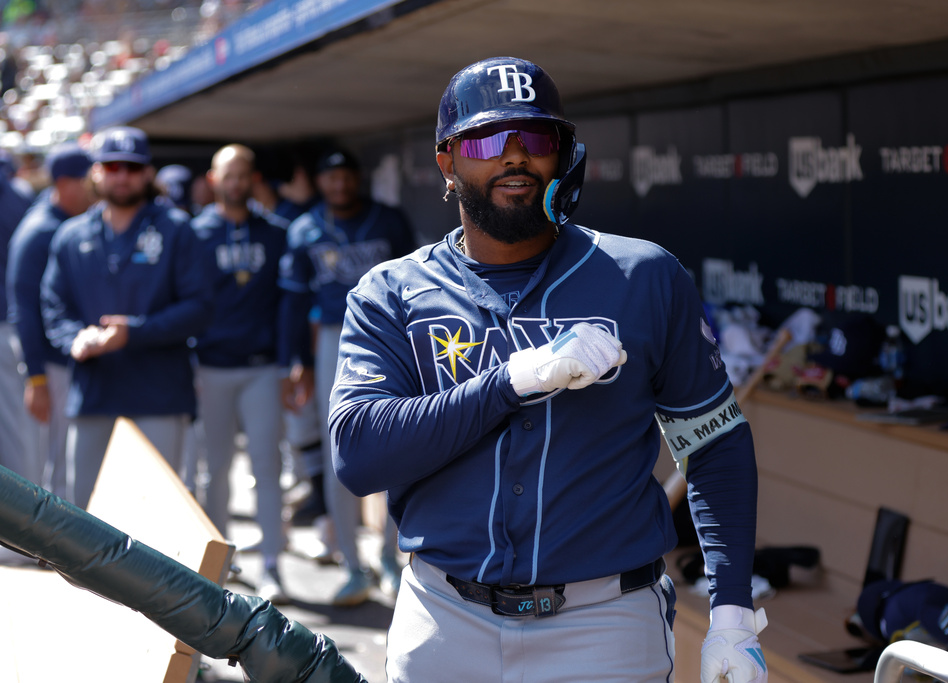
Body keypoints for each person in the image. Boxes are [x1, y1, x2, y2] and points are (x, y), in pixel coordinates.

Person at [329, 56, 766, 683]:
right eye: (486, 139)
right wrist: (510, 383)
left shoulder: (641, 276)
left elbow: (715, 444)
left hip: (605, 624)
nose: (515, 157)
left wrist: (731, 614)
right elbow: (358, 456)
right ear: (447, 163)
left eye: (536, 138)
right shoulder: (392, 290)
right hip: (445, 618)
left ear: (563, 156)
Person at [41, 126, 214, 509]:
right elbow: (54, 307)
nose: (122, 176)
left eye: (132, 168)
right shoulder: (70, 235)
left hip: (158, 394)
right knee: (85, 519)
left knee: (156, 517)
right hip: (93, 394)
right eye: (112, 166)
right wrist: (76, 338)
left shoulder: (176, 229)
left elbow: (200, 307)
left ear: (148, 173)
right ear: (96, 172)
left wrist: (133, 333)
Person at [279, 147, 416, 606]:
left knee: (397, 444)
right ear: (320, 182)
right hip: (333, 338)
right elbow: (295, 304)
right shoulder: (304, 228)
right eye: (330, 177)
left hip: (390, 334)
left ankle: (390, 561)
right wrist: (294, 361)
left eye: (345, 176)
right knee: (343, 448)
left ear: (357, 179)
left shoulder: (389, 219)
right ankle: (353, 566)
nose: (339, 185)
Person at [191, 144, 290, 604]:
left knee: (267, 468)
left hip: (261, 367)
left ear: (253, 180)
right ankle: (221, 563)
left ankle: (272, 564)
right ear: (213, 179)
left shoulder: (275, 233)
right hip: (211, 366)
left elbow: (289, 304)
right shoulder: (194, 234)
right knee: (216, 471)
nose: (235, 183)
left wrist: (291, 363)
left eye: (243, 175)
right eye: (227, 175)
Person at [6, 142, 94, 497]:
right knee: (54, 466)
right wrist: (37, 378)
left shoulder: (67, 220)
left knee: (66, 462)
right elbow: (23, 310)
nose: (93, 186)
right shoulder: (40, 230)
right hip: (50, 364)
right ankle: (49, 549)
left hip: (68, 360)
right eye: (86, 179)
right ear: (64, 183)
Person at [0, 151, 34, 479]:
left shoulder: (17, 196)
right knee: (13, 428)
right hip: (10, 323)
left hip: (6, 321)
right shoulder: (20, 195)